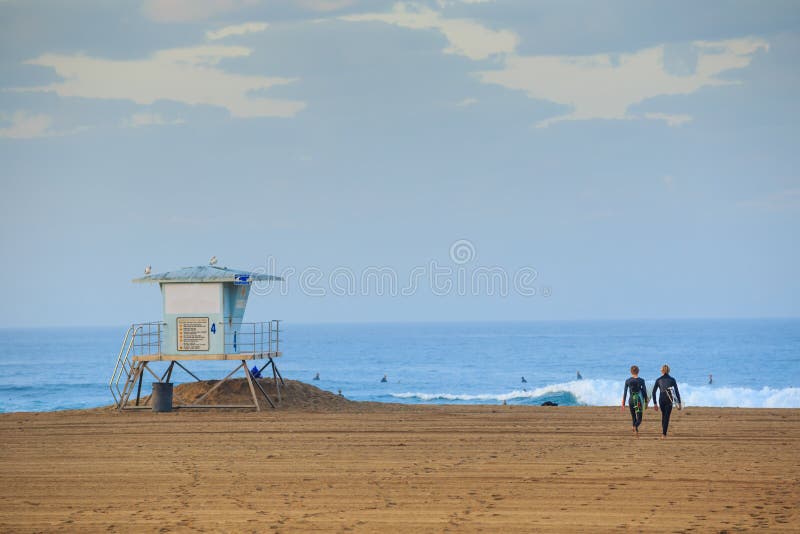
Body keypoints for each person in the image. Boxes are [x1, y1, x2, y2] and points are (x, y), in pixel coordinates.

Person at [652, 364, 681, 439]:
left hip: (661, 399)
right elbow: (676, 391)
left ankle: (663, 433)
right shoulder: (672, 379)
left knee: (663, 415)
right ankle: (664, 434)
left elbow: (653, 392)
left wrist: (655, 403)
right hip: (669, 399)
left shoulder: (658, 380)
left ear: (662, 371)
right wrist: (679, 402)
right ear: (669, 371)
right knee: (667, 417)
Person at [621, 365, 648, 437]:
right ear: (638, 371)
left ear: (631, 372)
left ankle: (636, 432)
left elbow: (625, 392)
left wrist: (623, 403)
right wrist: (646, 401)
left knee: (633, 417)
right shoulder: (641, 380)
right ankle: (635, 427)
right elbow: (644, 391)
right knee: (639, 419)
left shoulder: (627, 381)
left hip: (631, 400)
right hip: (638, 400)